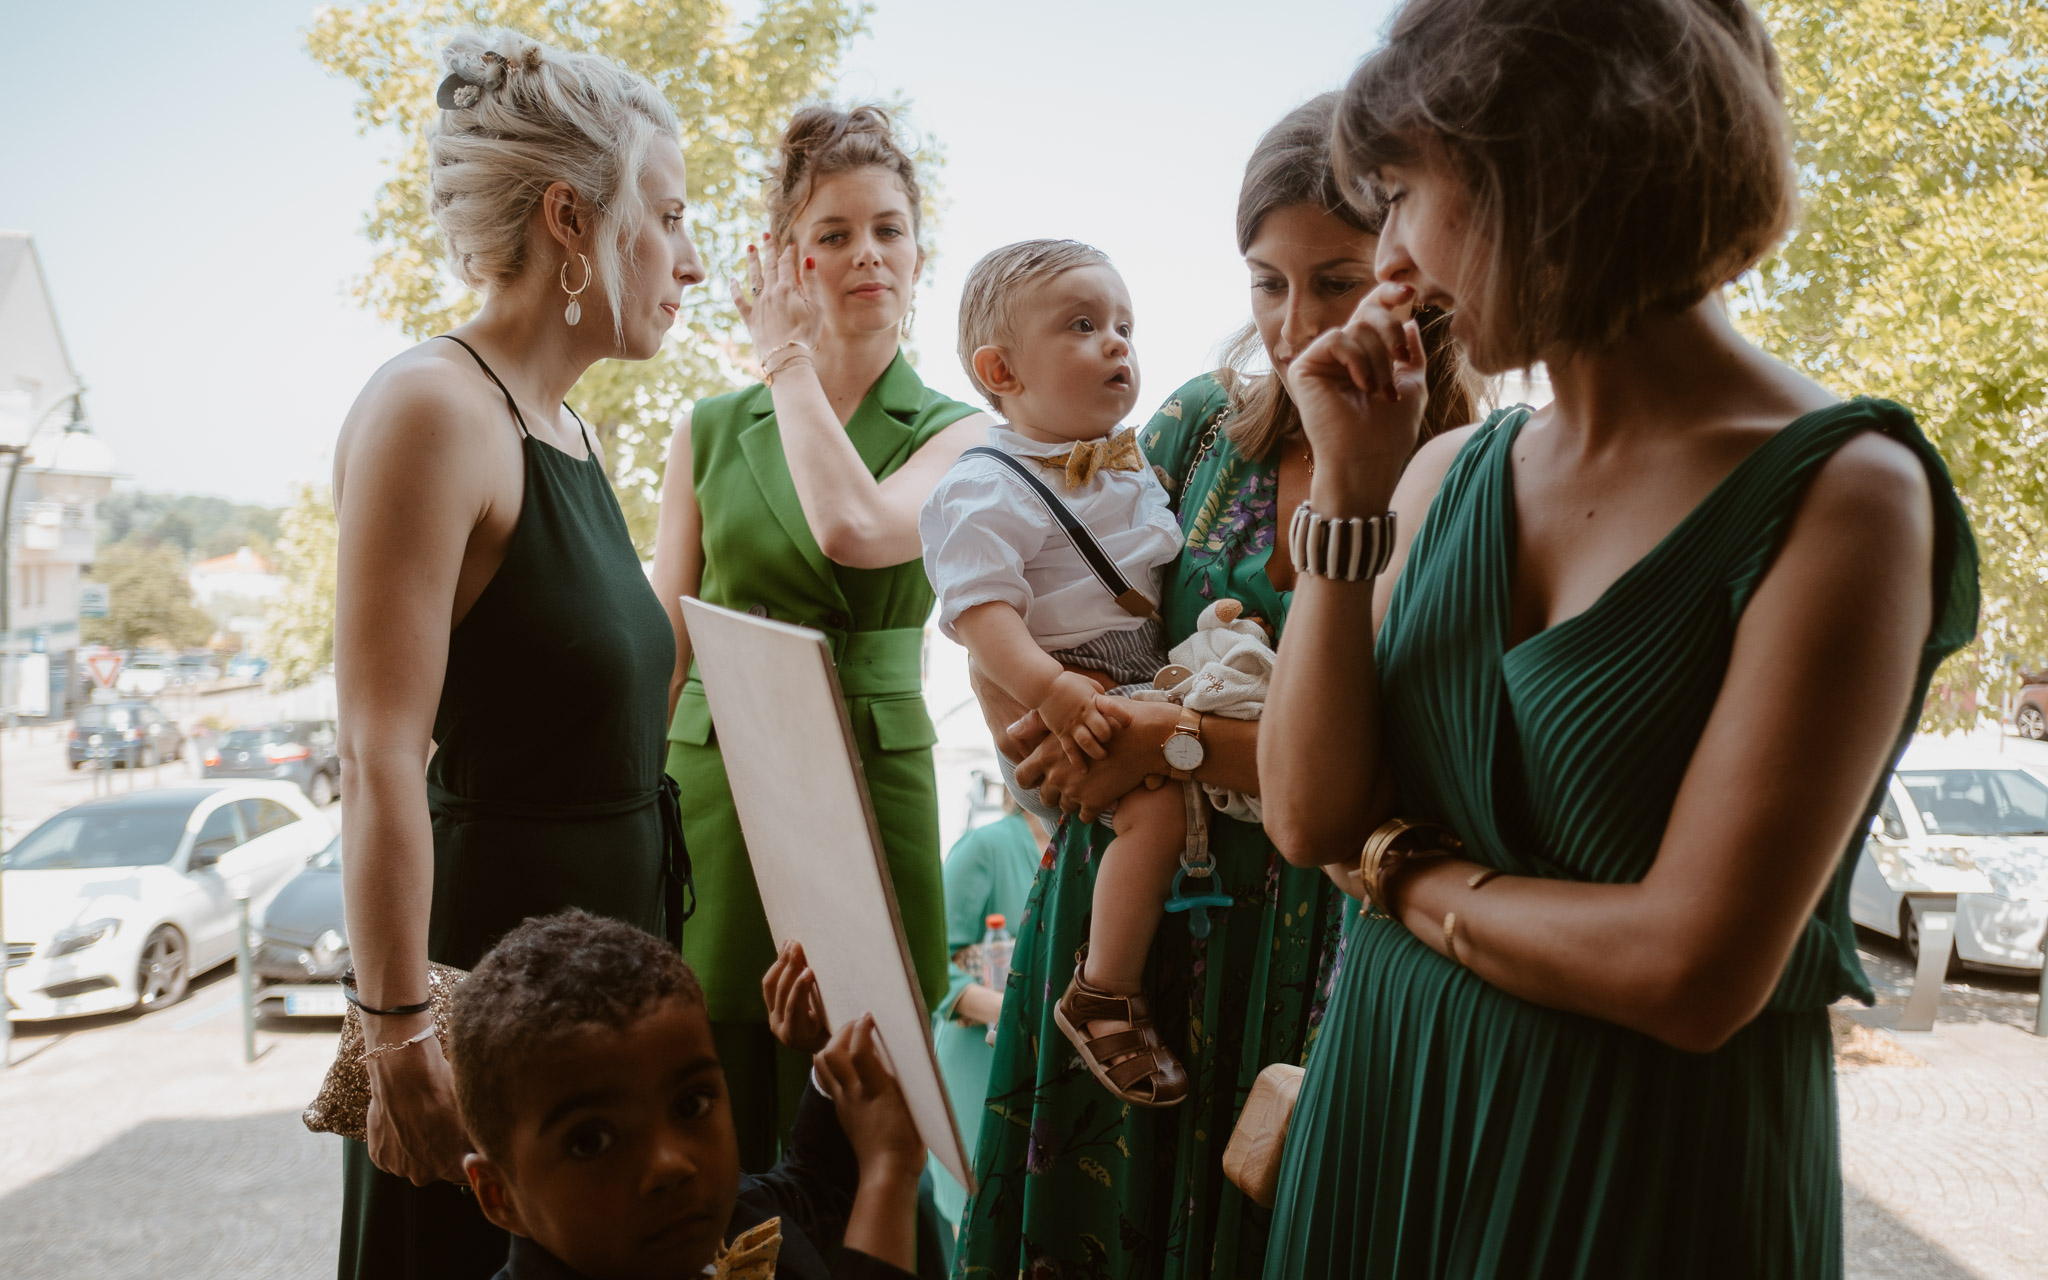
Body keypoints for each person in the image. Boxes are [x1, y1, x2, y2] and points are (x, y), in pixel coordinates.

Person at [1257, 1, 1980, 1275]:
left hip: (1633, 1171)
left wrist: (1408, 878)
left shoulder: (1841, 494)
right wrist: (1348, 497)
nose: (1389, 264)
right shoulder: (1433, 481)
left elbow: (1690, 969)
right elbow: (1310, 820)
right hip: (1388, 1104)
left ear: (1542, 182)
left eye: (1409, 195)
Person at [952, 95, 1475, 1278]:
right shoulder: (1188, 433)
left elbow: (1409, 770)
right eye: (1265, 284)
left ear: (1414, 271)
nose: (1294, 328)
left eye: (1335, 281)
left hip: (1322, 949)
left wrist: (1170, 742)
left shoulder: (1461, 480)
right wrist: (1039, 738)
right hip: (1125, 939)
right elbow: (1049, 603)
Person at [332, 29, 702, 1279]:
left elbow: (593, 698)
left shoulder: (575, 437)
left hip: (603, 991)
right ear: (570, 218)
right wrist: (396, 1035)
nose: (691, 261)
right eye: (669, 214)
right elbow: (377, 749)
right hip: (480, 1000)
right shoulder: (434, 407)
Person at [650, 104, 989, 1172]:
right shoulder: (706, 427)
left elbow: (857, 532)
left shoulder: (959, 429)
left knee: (871, 1088)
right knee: (714, 1073)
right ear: (788, 257)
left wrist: (787, 364)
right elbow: (667, 636)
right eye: (834, 233)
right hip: (717, 781)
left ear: (919, 250)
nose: (865, 255)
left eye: (887, 228)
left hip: (868, 772)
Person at [919, 239, 1192, 1110]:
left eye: (1124, 326)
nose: (1118, 343)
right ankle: (1102, 990)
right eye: (1083, 325)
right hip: (1064, 685)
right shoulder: (984, 483)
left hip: (1143, 673)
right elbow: (977, 612)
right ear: (1000, 369)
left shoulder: (1132, 464)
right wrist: (1049, 687)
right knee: (1150, 808)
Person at [448, 911, 931, 1280]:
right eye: (592, 1141)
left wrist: (832, 1062)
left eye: (691, 1105)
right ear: (499, 1195)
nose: (669, 1163)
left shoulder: (695, 1214)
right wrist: (889, 1171)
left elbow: (804, 1194)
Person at [928, 789, 1048, 1236]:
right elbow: (931, 965)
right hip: (978, 1071)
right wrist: (1016, 1011)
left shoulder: (1098, 852)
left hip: (1049, 1076)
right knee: (982, 1229)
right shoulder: (986, 848)